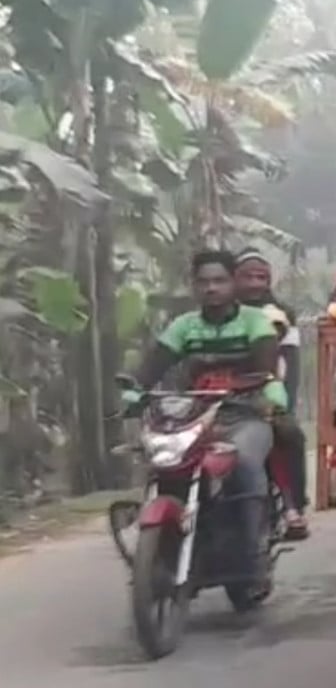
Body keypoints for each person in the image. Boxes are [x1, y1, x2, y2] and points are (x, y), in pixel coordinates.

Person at [133, 249, 287, 583]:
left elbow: (267, 365)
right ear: (194, 287)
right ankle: (167, 548)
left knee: (244, 461)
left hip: (245, 413)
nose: (211, 288)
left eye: (219, 280)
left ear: (233, 283)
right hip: (196, 417)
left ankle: (251, 552)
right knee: (167, 463)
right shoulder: (184, 326)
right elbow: (155, 363)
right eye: (203, 282)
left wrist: (269, 389)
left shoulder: (254, 321)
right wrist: (134, 389)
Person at [234, 248, 310, 540]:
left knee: (286, 434)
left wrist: (282, 404)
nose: (255, 284)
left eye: (261, 277)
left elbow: (289, 367)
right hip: (216, 396)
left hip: (263, 393)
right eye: (247, 277)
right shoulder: (214, 315)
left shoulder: (281, 317)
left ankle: (294, 508)